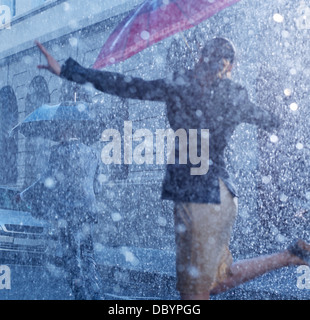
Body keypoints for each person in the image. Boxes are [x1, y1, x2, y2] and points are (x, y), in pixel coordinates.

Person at [35, 38, 310, 300]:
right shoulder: (231, 94)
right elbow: (273, 120)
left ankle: (291, 256)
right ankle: (291, 255)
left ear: (201, 56)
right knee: (215, 279)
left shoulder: (182, 86)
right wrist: (290, 96)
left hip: (197, 196)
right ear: (231, 65)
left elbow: (127, 85)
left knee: (195, 292)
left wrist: (69, 71)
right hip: (219, 194)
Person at [19, 126, 103, 300]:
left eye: (59, 133)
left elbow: (46, 181)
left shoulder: (59, 152)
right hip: (89, 210)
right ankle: (96, 294)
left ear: (66, 132)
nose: (57, 136)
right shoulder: (93, 153)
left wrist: (23, 195)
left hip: (68, 212)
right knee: (88, 255)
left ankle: (79, 295)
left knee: (71, 255)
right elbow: (98, 187)